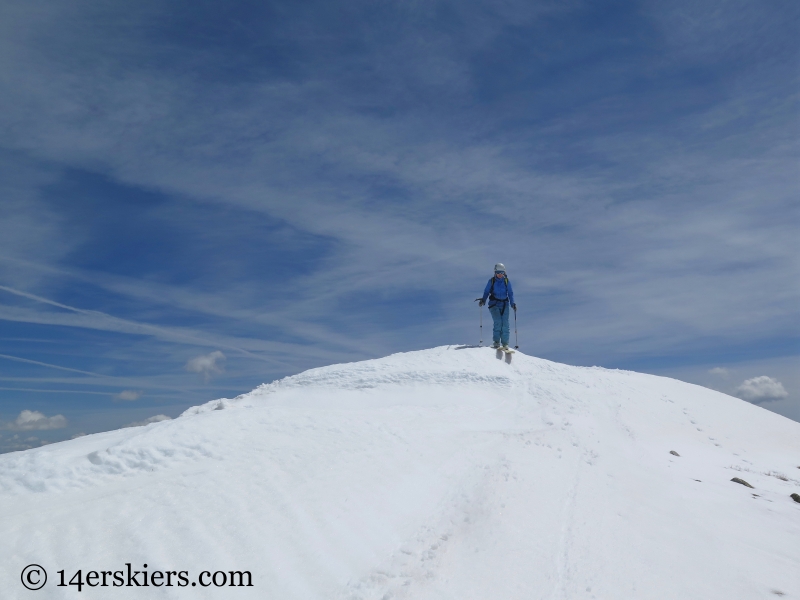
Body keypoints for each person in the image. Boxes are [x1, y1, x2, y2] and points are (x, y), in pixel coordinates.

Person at [478, 263, 516, 349]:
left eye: (501, 273)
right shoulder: (492, 281)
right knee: (498, 322)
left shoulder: (506, 281)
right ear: (495, 272)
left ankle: (505, 344)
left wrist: (512, 304)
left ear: (504, 273)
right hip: (494, 304)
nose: (499, 274)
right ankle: (496, 342)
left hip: (505, 304)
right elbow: (486, 291)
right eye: (498, 272)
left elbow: (510, 293)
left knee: (505, 324)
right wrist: (483, 300)